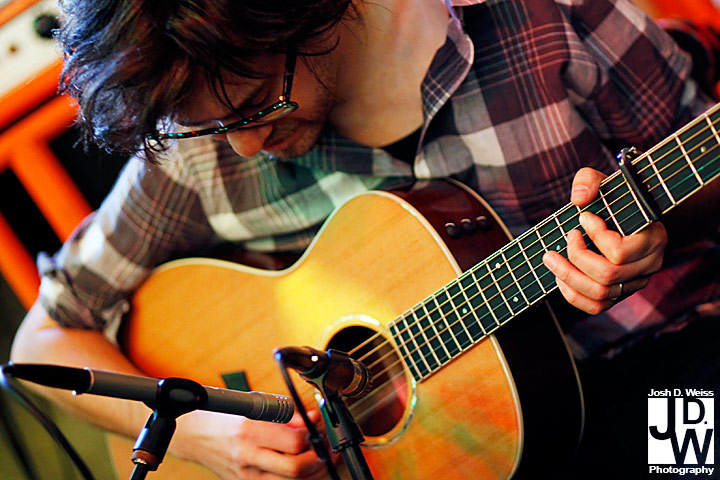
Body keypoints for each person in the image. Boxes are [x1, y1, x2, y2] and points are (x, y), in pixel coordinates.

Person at [9, 0, 720, 478]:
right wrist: (202, 433)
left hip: (662, 352)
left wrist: (652, 234)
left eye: (257, 106)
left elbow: (704, 166)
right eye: (215, 127)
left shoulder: (540, 16)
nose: (246, 146)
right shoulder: (201, 155)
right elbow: (43, 342)